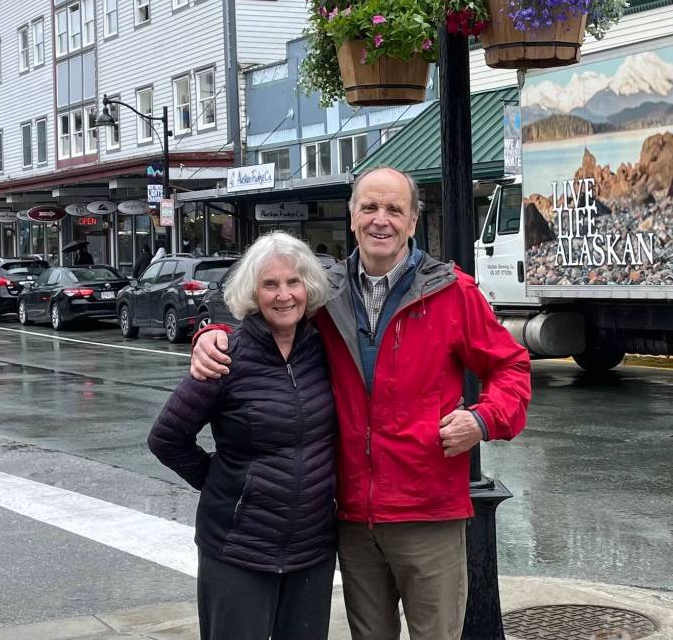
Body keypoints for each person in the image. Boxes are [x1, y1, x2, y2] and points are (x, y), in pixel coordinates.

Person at [191, 167, 531, 640]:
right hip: (352, 518)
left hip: (427, 512)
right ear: (351, 217)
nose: (381, 220)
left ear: (414, 221)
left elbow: (511, 368)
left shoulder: (453, 292)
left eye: (394, 209)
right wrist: (212, 334)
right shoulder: (324, 293)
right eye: (369, 207)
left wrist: (483, 418)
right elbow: (265, 310)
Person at [149, 231, 337, 640]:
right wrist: (222, 482)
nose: (284, 295)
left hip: (313, 549)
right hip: (238, 549)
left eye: (293, 282)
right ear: (253, 293)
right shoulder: (225, 356)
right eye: (270, 284)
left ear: (309, 287)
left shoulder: (327, 351)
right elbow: (166, 438)